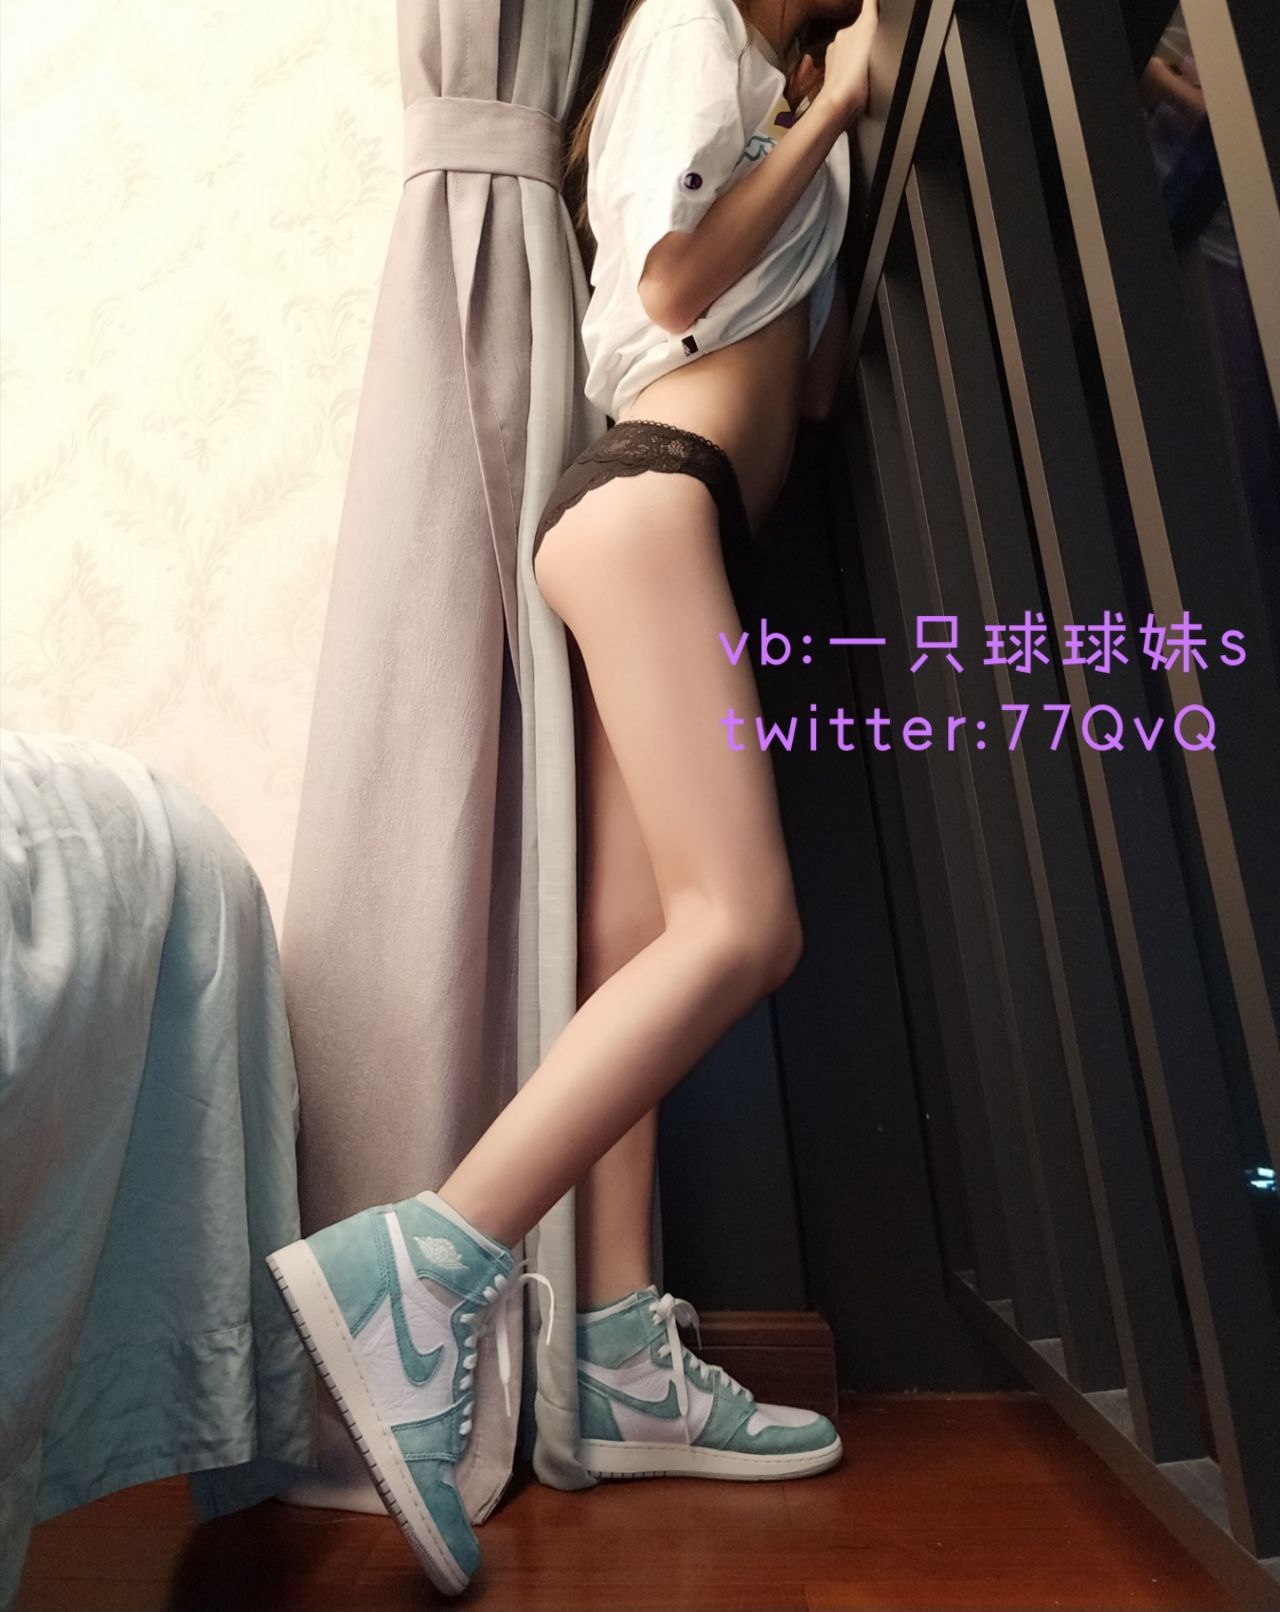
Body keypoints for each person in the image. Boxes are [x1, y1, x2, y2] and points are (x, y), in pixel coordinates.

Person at [267, 0, 879, 1594]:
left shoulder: (771, 95)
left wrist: (821, 127)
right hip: (649, 499)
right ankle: (419, 1267)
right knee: (746, 928)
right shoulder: (686, 26)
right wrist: (827, 118)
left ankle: (612, 1356)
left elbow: (809, 387)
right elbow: (671, 285)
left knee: (645, 952)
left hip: (680, 518)